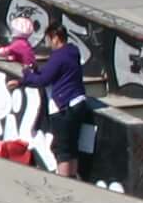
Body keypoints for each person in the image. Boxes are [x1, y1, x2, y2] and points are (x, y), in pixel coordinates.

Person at [20, 21, 100, 177]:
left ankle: (64, 184)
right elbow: (54, 75)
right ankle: (73, 181)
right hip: (78, 103)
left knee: (61, 150)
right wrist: (38, 73)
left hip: (63, 108)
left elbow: (43, 80)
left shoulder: (58, 57)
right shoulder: (73, 52)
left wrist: (26, 75)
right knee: (71, 148)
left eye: (49, 39)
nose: (49, 44)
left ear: (55, 37)